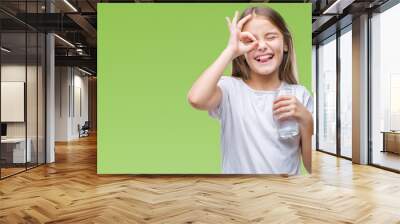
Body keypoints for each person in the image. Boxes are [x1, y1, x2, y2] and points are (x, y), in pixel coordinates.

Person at [187, 7, 313, 175]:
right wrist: (230, 51)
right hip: (239, 195)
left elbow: (310, 165)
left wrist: (306, 120)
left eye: (271, 37)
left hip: (283, 196)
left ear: (285, 45)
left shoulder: (300, 95)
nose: (261, 46)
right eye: (250, 41)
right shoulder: (229, 89)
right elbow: (196, 99)